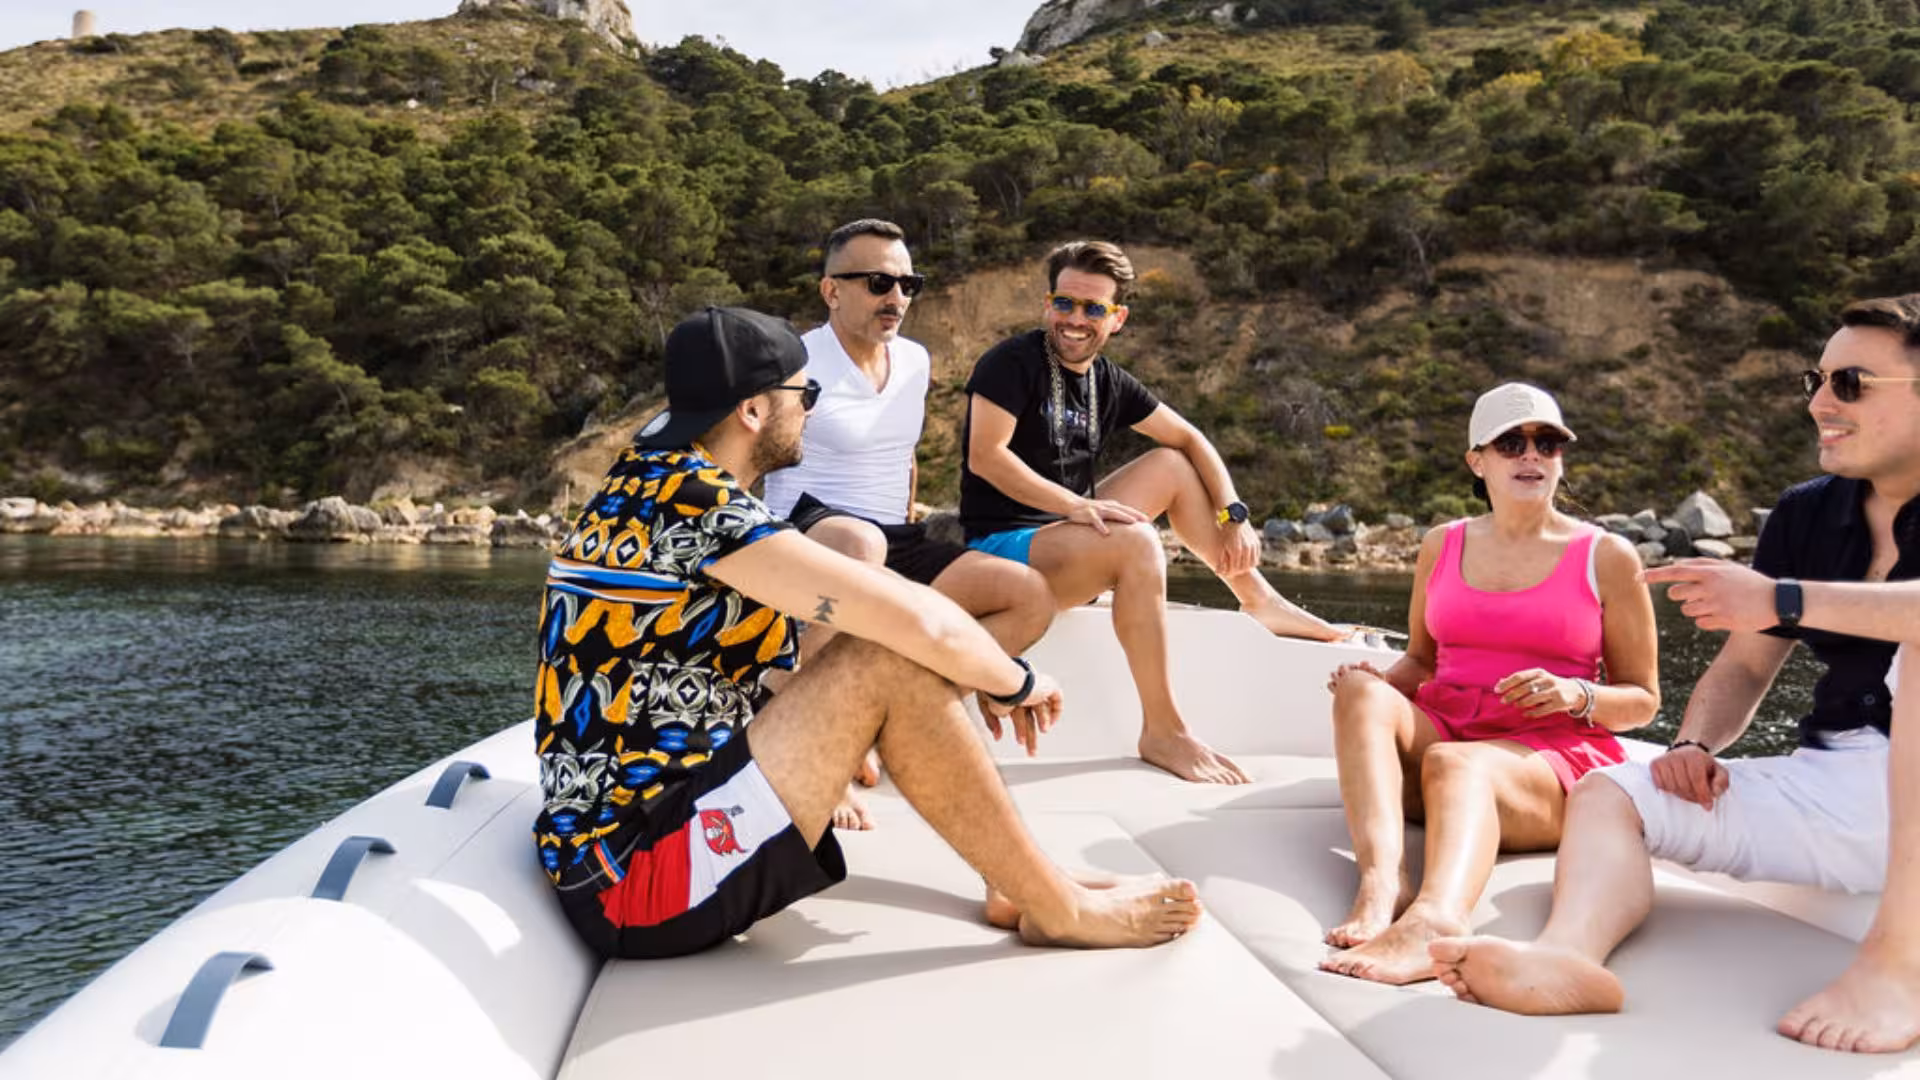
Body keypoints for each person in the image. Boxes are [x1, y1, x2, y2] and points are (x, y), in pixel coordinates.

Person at [533, 305, 1201, 961]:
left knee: (885, 652)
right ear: (753, 412)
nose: (813, 409)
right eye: (806, 392)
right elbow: (909, 617)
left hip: (632, 839)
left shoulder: (638, 483)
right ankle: (1061, 910)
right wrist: (1017, 680)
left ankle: (1022, 880)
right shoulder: (700, 507)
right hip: (637, 885)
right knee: (886, 655)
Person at [1429, 294, 1920, 1055]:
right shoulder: (1806, 515)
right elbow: (1749, 660)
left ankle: (1897, 970)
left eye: (1850, 384)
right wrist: (1694, 746)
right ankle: (1570, 958)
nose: (1821, 402)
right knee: (1614, 788)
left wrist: (1779, 597)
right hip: (1841, 790)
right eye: (1814, 381)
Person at [958, 239, 1342, 786]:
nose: (1075, 319)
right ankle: (1162, 730)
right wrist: (1078, 505)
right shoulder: (1009, 363)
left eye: (1093, 309)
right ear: (1048, 304)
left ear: (1117, 318)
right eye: (1064, 303)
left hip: (1071, 536)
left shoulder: (1107, 381)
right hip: (1003, 551)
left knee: (1171, 465)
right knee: (1139, 540)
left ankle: (1258, 598)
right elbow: (986, 457)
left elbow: (1190, 438)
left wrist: (1235, 515)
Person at [1318, 383, 1660, 985]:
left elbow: (1642, 701)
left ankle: (1436, 918)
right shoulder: (1440, 544)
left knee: (1459, 763)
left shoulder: (1607, 556)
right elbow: (1421, 664)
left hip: (1549, 762)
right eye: (1511, 443)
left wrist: (1575, 693)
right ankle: (1380, 881)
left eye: (1547, 443)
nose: (1531, 456)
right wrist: (1370, 689)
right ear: (1478, 460)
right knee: (1361, 692)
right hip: (1448, 730)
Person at [762, 219, 1055, 830]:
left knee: (1026, 594)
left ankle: (896, 714)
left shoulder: (916, 360)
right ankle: (816, 734)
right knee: (858, 542)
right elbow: (749, 452)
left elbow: (905, 455)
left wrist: (911, 517)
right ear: (831, 291)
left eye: (906, 283)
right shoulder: (795, 358)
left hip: (889, 535)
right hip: (809, 529)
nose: (895, 297)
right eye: (876, 282)